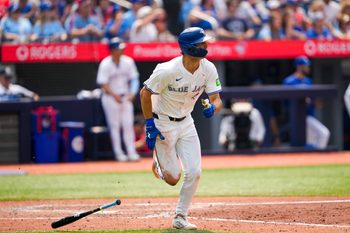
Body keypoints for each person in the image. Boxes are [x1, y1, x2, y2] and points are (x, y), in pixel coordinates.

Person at [140, 27, 222, 230]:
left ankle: (180, 217)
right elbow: (145, 93)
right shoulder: (167, 70)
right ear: (188, 48)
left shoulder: (208, 68)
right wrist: (150, 124)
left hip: (186, 122)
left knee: (194, 172)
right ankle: (158, 163)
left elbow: (217, 99)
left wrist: (213, 108)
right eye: (201, 43)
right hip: (163, 123)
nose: (206, 46)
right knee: (172, 179)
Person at [96, 37, 141, 162]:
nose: (121, 51)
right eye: (118, 49)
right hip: (110, 97)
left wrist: (132, 93)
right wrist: (114, 95)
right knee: (114, 126)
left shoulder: (128, 61)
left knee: (128, 125)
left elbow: (134, 79)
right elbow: (103, 83)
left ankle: (131, 152)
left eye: (121, 49)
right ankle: (119, 153)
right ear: (112, 50)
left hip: (125, 96)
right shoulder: (105, 63)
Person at [283, 56, 330, 149]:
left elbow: (313, 99)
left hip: (310, 115)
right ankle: (319, 158)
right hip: (298, 117)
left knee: (310, 143)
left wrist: (316, 102)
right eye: (306, 66)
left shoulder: (308, 81)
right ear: (299, 66)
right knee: (324, 133)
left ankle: (314, 160)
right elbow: (286, 102)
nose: (308, 68)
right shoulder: (289, 81)